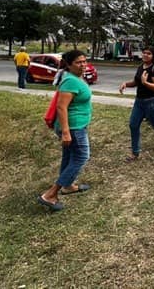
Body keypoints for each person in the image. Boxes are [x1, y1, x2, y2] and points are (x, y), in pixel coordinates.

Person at [38, 50, 93, 211]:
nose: (83, 65)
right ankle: (50, 194)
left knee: (69, 157)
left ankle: (67, 186)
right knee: (82, 156)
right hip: (73, 127)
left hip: (77, 125)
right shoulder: (70, 81)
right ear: (69, 65)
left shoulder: (76, 77)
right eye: (78, 62)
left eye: (84, 61)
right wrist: (66, 132)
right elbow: (61, 108)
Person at [119, 46, 154, 162]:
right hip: (139, 102)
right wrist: (126, 84)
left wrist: (145, 83)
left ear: (153, 56)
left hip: (153, 102)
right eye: (144, 53)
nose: (145, 55)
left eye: (148, 53)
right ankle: (135, 153)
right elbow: (136, 82)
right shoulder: (141, 67)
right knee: (133, 125)